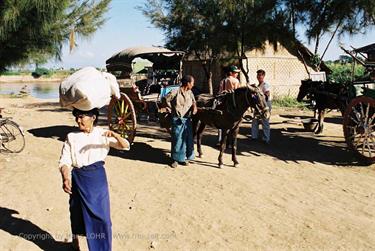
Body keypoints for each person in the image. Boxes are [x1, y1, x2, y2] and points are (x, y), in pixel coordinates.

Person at [59, 108, 130, 251]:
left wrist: (116, 135)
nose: (78, 121)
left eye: (81, 117)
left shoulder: (102, 133)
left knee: (102, 218)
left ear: (93, 117)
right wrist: (66, 177)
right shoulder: (71, 136)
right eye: (77, 117)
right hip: (78, 179)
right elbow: (64, 161)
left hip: (97, 180)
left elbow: (126, 146)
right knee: (77, 214)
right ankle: (75, 243)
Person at [164, 75, 197, 168]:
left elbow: (194, 102)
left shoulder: (190, 92)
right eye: (192, 83)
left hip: (187, 120)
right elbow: (165, 99)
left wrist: (194, 108)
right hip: (177, 119)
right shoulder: (175, 91)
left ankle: (183, 158)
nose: (193, 85)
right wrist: (169, 108)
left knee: (187, 139)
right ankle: (175, 159)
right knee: (177, 139)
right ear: (187, 83)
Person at [217, 65, 241, 146]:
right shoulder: (236, 81)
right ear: (231, 73)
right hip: (232, 105)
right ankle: (230, 142)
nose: (237, 74)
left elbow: (220, 93)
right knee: (232, 124)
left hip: (222, 103)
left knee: (221, 123)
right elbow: (238, 93)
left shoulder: (223, 81)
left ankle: (220, 140)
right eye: (236, 72)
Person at [251, 69, 272, 144]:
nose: (259, 76)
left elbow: (267, 93)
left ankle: (266, 139)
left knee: (265, 121)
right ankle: (254, 137)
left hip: (265, 104)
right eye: (258, 75)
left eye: (260, 75)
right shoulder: (258, 85)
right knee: (255, 120)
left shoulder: (265, 84)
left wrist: (263, 103)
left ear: (263, 76)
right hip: (258, 105)